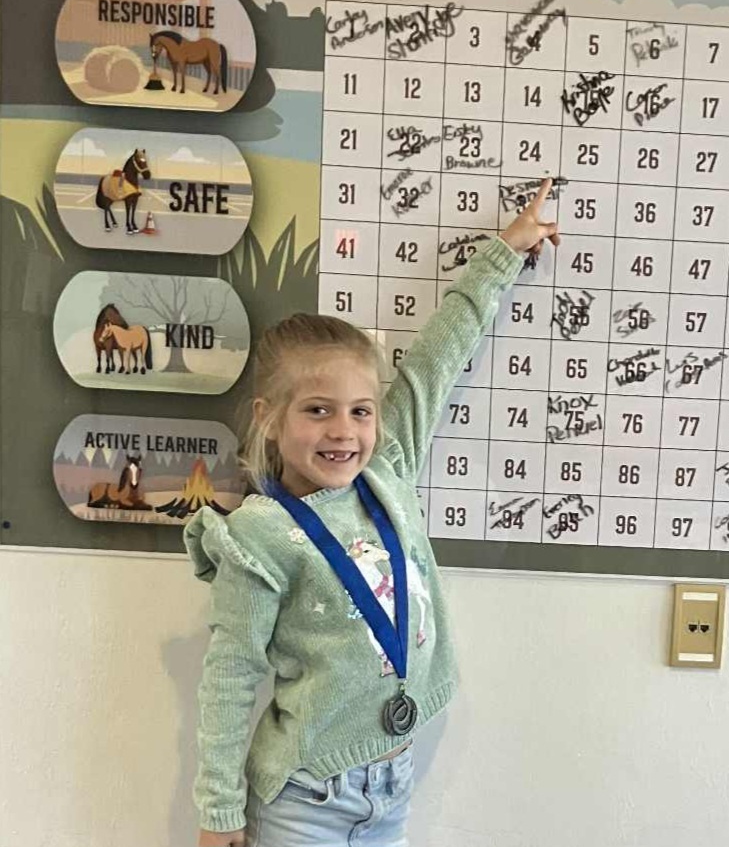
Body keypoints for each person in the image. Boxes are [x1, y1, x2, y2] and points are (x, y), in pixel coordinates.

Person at [184, 178, 561, 847]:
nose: (344, 430)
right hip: (306, 797)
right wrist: (219, 812)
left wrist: (503, 254)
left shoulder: (386, 470)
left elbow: (437, 361)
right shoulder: (260, 535)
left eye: (360, 410)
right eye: (317, 409)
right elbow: (232, 673)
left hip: (391, 787)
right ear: (270, 420)